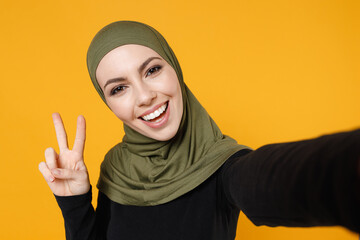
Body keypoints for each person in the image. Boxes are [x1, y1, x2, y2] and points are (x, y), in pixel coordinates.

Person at [38, 21, 360, 240]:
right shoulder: (116, 168)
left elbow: (284, 180)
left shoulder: (225, 169)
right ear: (108, 103)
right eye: (119, 88)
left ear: (174, 68)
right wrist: (76, 204)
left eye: (152, 70)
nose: (145, 96)